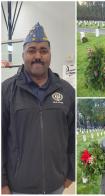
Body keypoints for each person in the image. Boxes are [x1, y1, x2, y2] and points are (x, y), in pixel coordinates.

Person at [2, 23, 75, 194]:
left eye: (43, 50)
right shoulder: (6, 91)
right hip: (18, 188)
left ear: (50, 54)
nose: (37, 56)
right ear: (23, 54)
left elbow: (72, 136)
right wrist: (2, 182)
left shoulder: (67, 91)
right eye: (31, 50)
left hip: (56, 186)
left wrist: (71, 173)